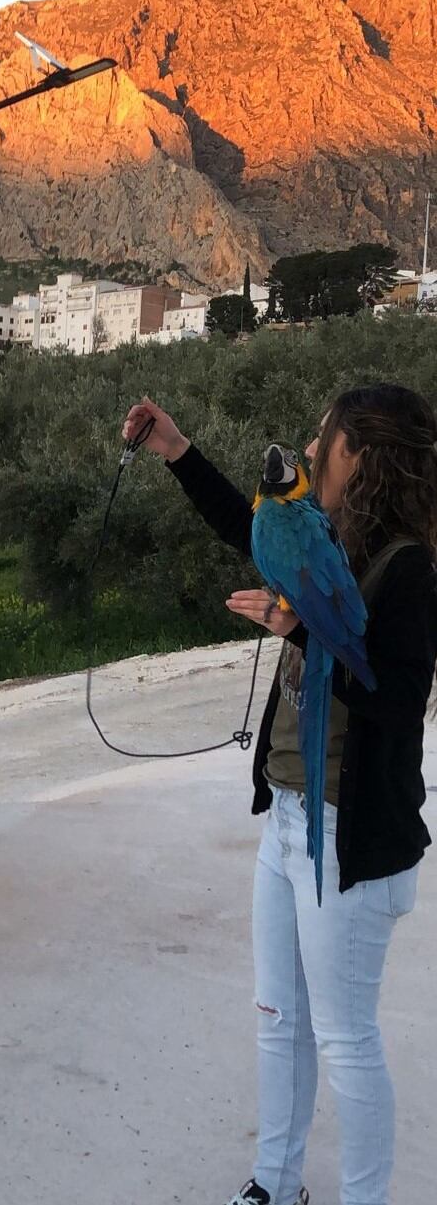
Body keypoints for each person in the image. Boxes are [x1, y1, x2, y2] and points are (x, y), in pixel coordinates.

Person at [122, 384, 437, 1205]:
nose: (305, 445)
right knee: (279, 1019)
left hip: (351, 836)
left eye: (321, 436)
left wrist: (301, 629)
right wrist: (177, 451)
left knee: (345, 1037)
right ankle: (276, 1182)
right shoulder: (329, 532)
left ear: (355, 456)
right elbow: (249, 523)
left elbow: (400, 701)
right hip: (290, 821)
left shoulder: (406, 566)